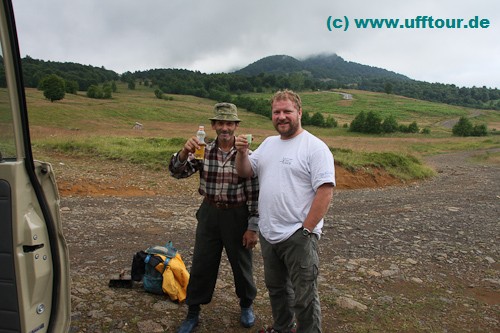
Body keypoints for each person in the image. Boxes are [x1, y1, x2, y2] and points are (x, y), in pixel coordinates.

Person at [235, 90, 335, 333]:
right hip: (270, 235)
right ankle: (282, 328)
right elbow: (245, 172)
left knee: (305, 297)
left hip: (298, 236)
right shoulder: (269, 144)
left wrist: (306, 230)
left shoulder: (315, 148)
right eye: (276, 112)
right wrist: (241, 153)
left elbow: (325, 192)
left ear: (299, 113)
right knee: (277, 289)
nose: (281, 117)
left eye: (287, 111)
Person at [169, 102, 259, 333]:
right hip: (209, 212)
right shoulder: (202, 150)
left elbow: (254, 192)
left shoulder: (247, 154)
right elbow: (177, 172)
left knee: (242, 265)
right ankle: (193, 312)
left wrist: (252, 226)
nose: (225, 128)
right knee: (202, 263)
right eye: (220, 123)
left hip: (237, 214)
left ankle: (246, 305)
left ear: (236, 126)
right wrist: (184, 151)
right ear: (213, 125)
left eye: (229, 123)